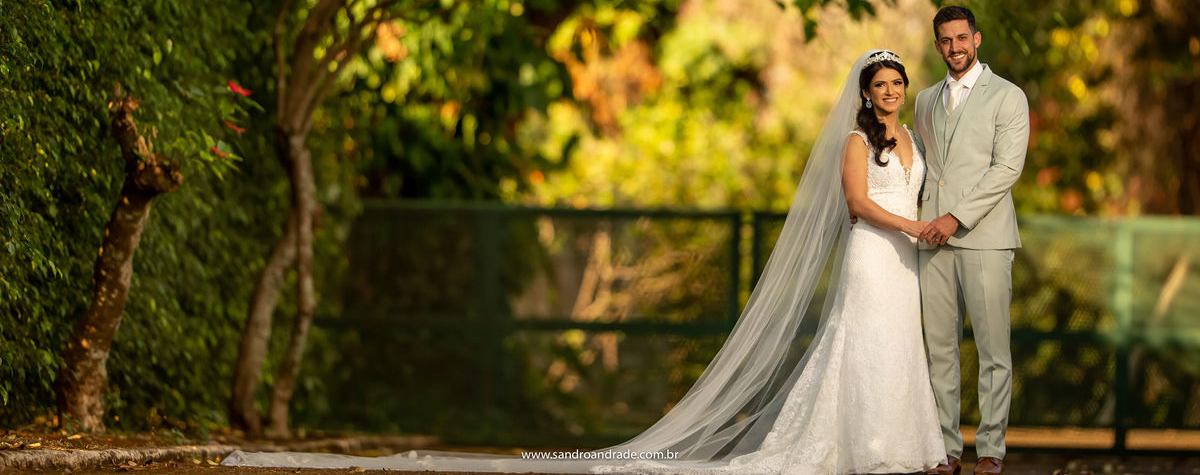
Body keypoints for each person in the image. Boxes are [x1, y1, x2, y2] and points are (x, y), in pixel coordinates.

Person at [223, 50, 943, 474]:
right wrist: (911, 225)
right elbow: (855, 205)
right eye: (879, 85)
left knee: (897, 345)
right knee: (860, 343)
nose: (888, 92)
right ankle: (863, 445)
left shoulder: (911, 138)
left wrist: (927, 229)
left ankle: (904, 444)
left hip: (904, 260)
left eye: (895, 84)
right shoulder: (858, 144)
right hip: (872, 254)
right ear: (863, 92)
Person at [913, 7, 1030, 475]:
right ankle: (945, 448)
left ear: (977, 39)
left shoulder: (1009, 96)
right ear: (937, 44)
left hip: (985, 238)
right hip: (930, 241)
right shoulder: (922, 100)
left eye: (962, 38)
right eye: (945, 40)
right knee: (938, 348)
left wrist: (954, 217)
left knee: (992, 350)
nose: (954, 48)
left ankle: (990, 451)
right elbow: (920, 167)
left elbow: (1007, 169)